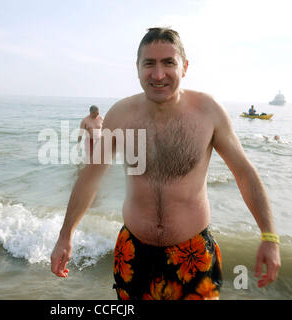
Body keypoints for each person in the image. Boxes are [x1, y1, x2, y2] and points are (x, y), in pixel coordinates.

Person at [51, 28, 281, 300]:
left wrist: (269, 236)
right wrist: (66, 234)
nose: (158, 74)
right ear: (137, 68)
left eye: (168, 63)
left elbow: (244, 173)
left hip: (193, 254)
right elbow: (90, 177)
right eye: (149, 63)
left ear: (184, 67)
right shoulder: (121, 115)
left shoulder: (208, 112)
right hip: (133, 252)